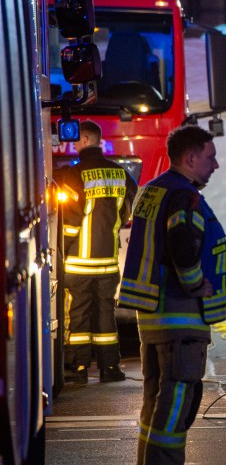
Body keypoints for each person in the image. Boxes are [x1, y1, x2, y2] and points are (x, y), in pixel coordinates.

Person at [118, 125, 226, 465]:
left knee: (157, 393)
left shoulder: (153, 190)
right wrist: (199, 284)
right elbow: (183, 248)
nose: (215, 165)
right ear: (190, 158)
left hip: (152, 316)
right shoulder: (184, 196)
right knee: (180, 393)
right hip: (180, 315)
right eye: (210, 156)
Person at [57, 120, 138, 384]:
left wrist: (62, 251)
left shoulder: (74, 174)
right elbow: (129, 205)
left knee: (78, 312)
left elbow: (69, 222)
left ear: (83, 140)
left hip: (79, 262)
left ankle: (78, 368)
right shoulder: (120, 173)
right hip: (108, 261)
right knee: (106, 313)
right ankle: (109, 368)